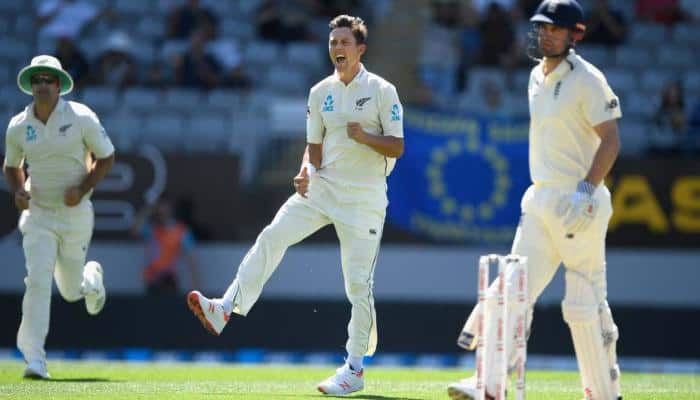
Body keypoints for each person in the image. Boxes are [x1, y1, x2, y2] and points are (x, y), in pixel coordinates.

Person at [186, 14, 404, 396]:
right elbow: (314, 148)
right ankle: (225, 308)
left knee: (358, 285)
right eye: (333, 42)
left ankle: (354, 368)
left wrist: (365, 136)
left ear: (361, 49)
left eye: (345, 42)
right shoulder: (320, 92)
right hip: (321, 188)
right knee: (272, 236)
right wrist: (305, 170)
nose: (337, 48)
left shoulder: (383, 90)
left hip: (365, 197)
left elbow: (397, 147)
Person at [448, 1, 623, 399]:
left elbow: (611, 140)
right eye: (542, 28)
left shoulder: (587, 79)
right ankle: (488, 385)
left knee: (583, 302)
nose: (545, 34)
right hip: (540, 199)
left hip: (578, 200)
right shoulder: (534, 76)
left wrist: (586, 190)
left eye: (555, 29)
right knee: (511, 291)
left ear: (574, 34)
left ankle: (604, 394)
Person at [3, 55, 115, 379]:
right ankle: (34, 359)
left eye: (47, 80)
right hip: (38, 215)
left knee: (69, 291)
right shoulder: (18, 126)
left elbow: (106, 158)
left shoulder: (81, 117)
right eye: (36, 80)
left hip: (75, 214)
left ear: (58, 85)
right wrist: (19, 190)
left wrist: (81, 189)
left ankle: (91, 280)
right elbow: (12, 166)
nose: (42, 85)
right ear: (31, 86)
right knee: (37, 280)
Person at [131, 195, 201, 295]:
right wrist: (148, 209)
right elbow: (134, 230)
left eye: (165, 207)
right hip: (152, 281)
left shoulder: (181, 231)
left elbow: (192, 261)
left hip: (169, 281)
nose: (162, 211)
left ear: (171, 209)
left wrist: (196, 290)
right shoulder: (151, 229)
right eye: (159, 207)